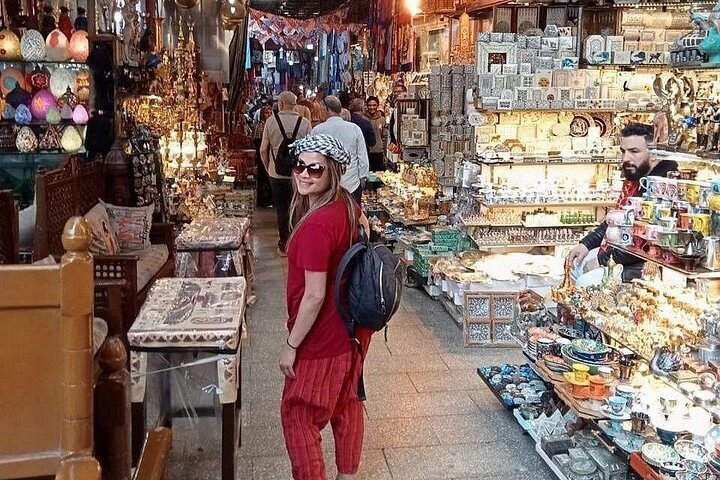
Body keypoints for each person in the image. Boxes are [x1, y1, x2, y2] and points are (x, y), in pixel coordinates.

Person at [279, 134, 372, 480]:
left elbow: (314, 296)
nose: (304, 174)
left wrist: (291, 345)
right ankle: (347, 475)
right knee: (346, 404)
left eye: (315, 169)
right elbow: (365, 228)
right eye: (299, 165)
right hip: (354, 331)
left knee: (298, 414)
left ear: (332, 171)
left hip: (323, 339)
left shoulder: (316, 226)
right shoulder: (346, 204)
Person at [566, 123, 679, 284]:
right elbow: (615, 221)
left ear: (654, 154)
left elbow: (642, 245)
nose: (626, 158)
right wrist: (585, 244)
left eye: (634, 151)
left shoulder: (663, 187)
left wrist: (602, 261)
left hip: (645, 264)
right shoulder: (636, 179)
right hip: (621, 253)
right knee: (574, 264)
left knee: (586, 281)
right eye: (623, 151)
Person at [260, 91, 311, 256]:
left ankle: (284, 245)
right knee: (299, 208)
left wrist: (268, 167)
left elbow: (263, 149)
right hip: (299, 173)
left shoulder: (271, 121)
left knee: (282, 209)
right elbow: (310, 150)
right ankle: (299, 243)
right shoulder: (304, 123)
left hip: (276, 173)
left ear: (280, 104)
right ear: (295, 105)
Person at [311, 95, 370, 205]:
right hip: (351, 184)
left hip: (326, 185)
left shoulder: (317, 130)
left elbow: (313, 159)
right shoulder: (354, 128)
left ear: (327, 109)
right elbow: (362, 156)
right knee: (351, 214)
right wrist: (363, 177)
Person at [254, 105, 274, 208]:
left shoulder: (273, 125)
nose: (269, 115)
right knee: (263, 177)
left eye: (270, 113)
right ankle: (264, 200)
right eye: (266, 113)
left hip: (271, 155)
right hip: (262, 155)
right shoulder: (260, 126)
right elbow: (258, 143)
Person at [365, 96, 387, 171]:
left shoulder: (382, 119)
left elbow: (384, 136)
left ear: (377, 105)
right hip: (366, 152)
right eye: (370, 105)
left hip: (379, 151)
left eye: (374, 105)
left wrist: (384, 152)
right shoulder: (363, 119)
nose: (372, 107)